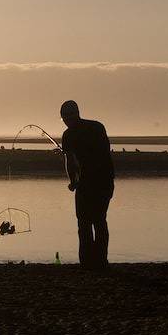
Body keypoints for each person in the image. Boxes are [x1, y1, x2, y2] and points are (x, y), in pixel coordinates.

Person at [60, 100, 115, 270]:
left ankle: (88, 262)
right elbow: (104, 154)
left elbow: (70, 161)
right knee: (97, 221)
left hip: (93, 182)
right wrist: (74, 180)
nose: (67, 120)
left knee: (86, 222)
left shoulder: (69, 135)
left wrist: (73, 182)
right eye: (65, 118)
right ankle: (99, 261)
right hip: (103, 181)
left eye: (67, 117)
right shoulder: (97, 127)